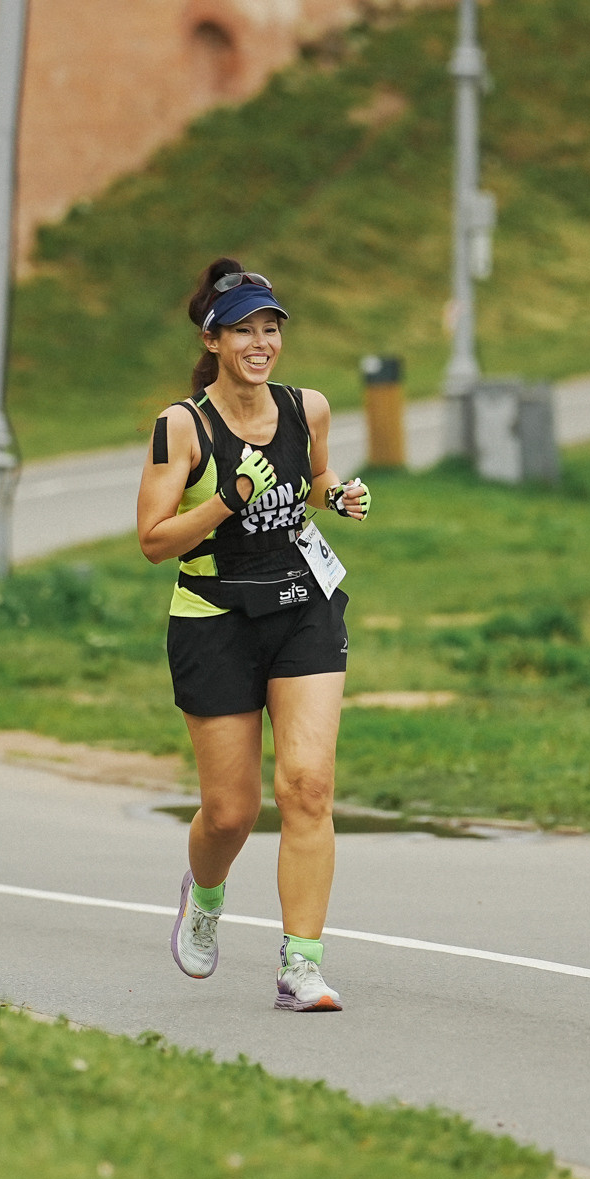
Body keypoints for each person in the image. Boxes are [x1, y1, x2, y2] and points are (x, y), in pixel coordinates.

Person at [137, 258, 372, 1012]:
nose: (261, 343)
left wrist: (339, 494)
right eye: (245, 330)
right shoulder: (183, 426)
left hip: (303, 606)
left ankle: (301, 963)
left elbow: (312, 480)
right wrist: (227, 502)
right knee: (231, 811)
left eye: (270, 329)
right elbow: (152, 539)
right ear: (213, 339)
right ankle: (204, 896)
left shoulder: (310, 408)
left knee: (307, 786)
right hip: (215, 619)